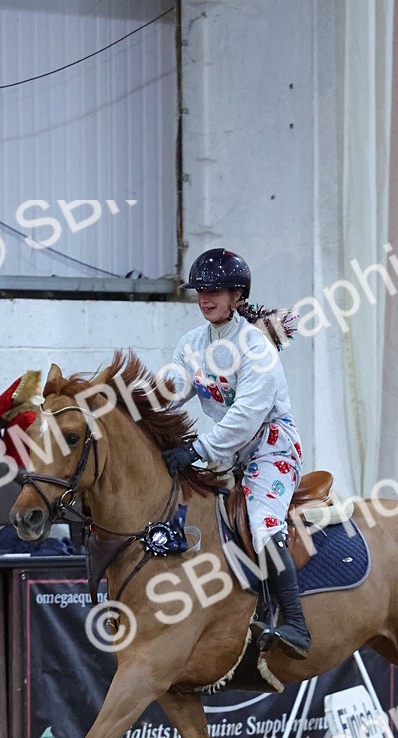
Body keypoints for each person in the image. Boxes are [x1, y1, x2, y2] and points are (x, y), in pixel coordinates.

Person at [162, 248, 310, 659]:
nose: (205, 297)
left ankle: (296, 625)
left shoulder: (256, 348)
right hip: (227, 455)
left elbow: (247, 417)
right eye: (200, 290)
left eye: (215, 290)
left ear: (237, 295)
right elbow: (173, 386)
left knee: (262, 522)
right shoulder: (191, 344)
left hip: (270, 446)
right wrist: (147, 401)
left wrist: (197, 449)